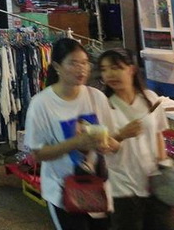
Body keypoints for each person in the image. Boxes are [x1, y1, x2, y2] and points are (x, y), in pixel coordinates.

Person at [24, 38, 119, 230]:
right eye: (73, 63)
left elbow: (114, 141)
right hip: (62, 191)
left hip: (98, 189)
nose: (81, 69)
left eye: (84, 63)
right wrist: (77, 142)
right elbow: (37, 153)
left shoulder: (96, 97)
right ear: (57, 67)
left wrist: (108, 145)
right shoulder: (41, 104)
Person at [99, 48, 174, 230]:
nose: (110, 74)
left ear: (131, 69)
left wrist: (164, 170)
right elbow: (102, 147)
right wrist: (122, 135)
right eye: (104, 69)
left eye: (116, 67)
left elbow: (158, 136)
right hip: (122, 188)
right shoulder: (103, 106)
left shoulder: (150, 99)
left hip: (153, 184)